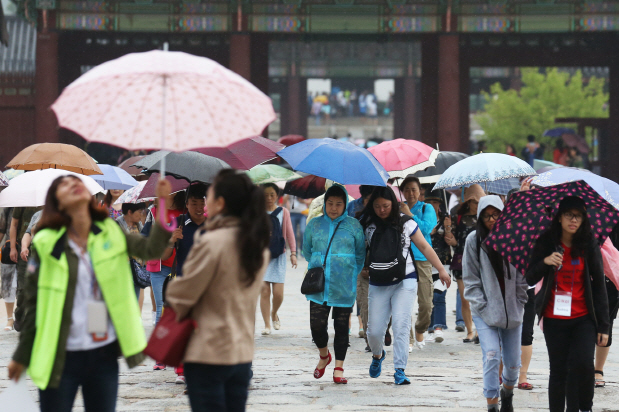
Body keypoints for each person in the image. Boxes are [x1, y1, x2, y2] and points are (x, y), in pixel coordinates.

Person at [8, 175, 173, 412]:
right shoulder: (45, 241)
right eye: (64, 185)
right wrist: (22, 356)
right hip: (59, 355)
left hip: (102, 354)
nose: (73, 185)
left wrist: (164, 205)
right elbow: (34, 303)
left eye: (77, 183)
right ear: (58, 202)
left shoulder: (109, 231)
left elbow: (152, 249)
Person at [166, 170, 271, 411]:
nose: (204, 202)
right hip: (241, 354)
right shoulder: (255, 243)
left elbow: (180, 296)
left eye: (209, 196)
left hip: (209, 352)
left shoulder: (213, 242)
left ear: (220, 203)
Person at [526, 196, 610, 412]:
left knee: (582, 364)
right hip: (554, 318)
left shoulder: (589, 244)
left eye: (579, 216)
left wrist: (604, 325)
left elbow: (599, 285)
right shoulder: (546, 242)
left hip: (583, 317)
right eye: (569, 215)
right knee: (559, 370)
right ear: (559, 217)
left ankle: (585, 407)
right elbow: (529, 278)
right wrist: (545, 262)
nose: (574, 220)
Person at [360, 186, 450, 385]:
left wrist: (441, 269)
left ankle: (400, 369)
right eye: (377, 206)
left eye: (386, 205)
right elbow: (360, 250)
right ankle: (377, 355)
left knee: (401, 325)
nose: (382, 210)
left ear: (393, 203)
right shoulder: (367, 224)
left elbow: (425, 246)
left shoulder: (405, 222)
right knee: (374, 331)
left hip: (405, 279)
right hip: (378, 280)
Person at [463, 195, 529, 412]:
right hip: (485, 312)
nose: (491, 219)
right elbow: (470, 280)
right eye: (486, 216)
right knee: (491, 355)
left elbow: (523, 275)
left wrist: (520, 300)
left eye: (495, 214)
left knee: (512, 363)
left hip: (513, 311)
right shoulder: (474, 240)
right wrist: (482, 305)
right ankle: (491, 403)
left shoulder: (515, 238)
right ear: (480, 217)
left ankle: (507, 392)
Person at [303, 184, 365, 384]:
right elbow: (307, 250)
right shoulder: (314, 224)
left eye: (339, 204)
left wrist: (347, 269)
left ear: (345, 204)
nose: (334, 207)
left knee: (341, 327)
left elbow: (360, 254)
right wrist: (318, 262)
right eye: (330, 203)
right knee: (317, 326)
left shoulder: (353, 225)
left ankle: (339, 367)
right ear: (324, 204)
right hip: (319, 286)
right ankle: (324, 356)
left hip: (344, 285)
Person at [142, 191, 184, 371]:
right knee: (161, 307)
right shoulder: (154, 211)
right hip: (159, 266)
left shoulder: (185, 211)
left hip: (179, 266)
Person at [399, 176, 437, 349]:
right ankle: (408, 339)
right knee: (403, 303)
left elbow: (427, 228)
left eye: (414, 189)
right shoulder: (398, 208)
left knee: (426, 303)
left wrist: (410, 214)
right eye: (407, 190)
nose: (411, 193)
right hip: (403, 259)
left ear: (420, 190)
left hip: (422, 259)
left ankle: (421, 328)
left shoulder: (426, 208)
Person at [445, 184, 485, 343]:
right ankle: (469, 330)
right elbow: (452, 241)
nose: (477, 205)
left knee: (481, 297)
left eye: (479, 202)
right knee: (464, 297)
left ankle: (480, 330)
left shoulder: (485, 218)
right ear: (468, 202)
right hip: (462, 260)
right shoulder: (457, 216)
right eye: (474, 202)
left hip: (482, 261)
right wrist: (449, 231)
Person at [260, 183, 297, 335]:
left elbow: (289, 233)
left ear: (277, 196)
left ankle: (274, 312)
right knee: (264, 291)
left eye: (272, 195)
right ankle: (267, 325)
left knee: (278, 294)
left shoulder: (284, 212)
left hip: (278, 256)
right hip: (261, 257)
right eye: (266, 195)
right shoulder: (256, 212)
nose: (269, 198)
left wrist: (293, 253)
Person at [423, 190, 452, 344]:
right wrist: (429, 230)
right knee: (428, 297)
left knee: (439, 295)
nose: (433, 206)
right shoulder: (422, 219)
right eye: (430, 202)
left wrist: (447, 229)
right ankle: (430, 327)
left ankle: (438, 328)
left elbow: (452, 241)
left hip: (444, 262)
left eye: (435, 202)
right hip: (426, 263)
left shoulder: (446, 219)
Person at [10, 205, 43, 331]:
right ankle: (19, 315)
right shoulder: (39, 214)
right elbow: (28, 233)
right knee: (24, 290)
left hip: (51, 260)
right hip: (33, 257)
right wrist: (24, 247)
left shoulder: (67, 215)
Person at [0, 207, 17, 331]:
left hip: (29, 248)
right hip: (7, 251)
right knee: (8, 285)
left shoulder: (36, 207)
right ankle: (10, 318)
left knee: (27, 285)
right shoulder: (8, 209)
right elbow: (1, 229)